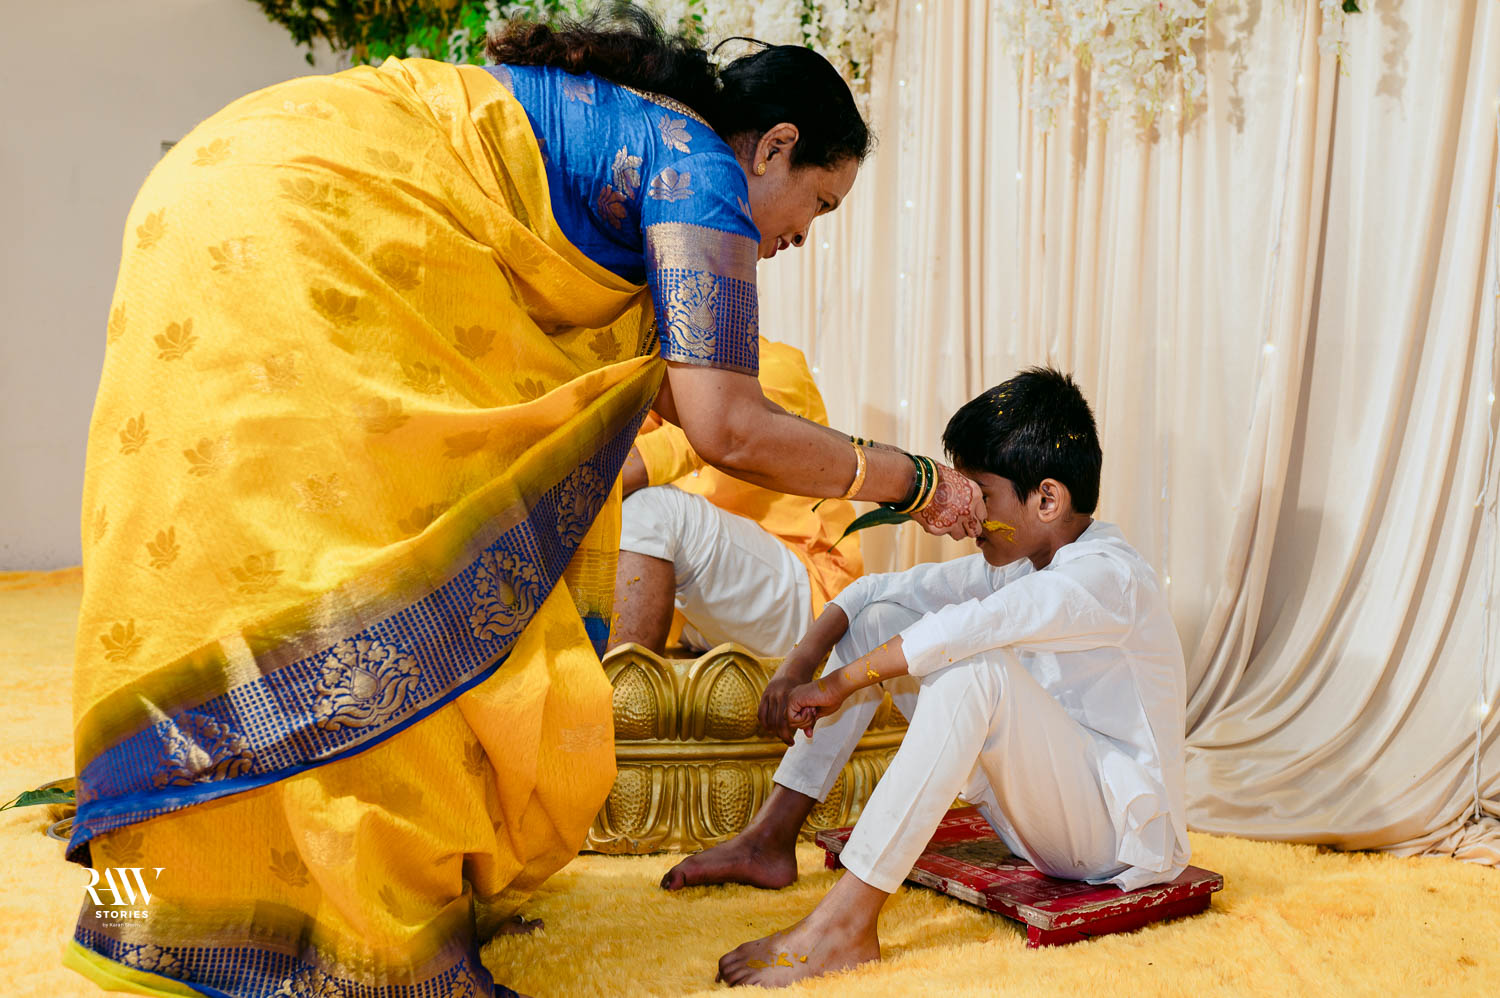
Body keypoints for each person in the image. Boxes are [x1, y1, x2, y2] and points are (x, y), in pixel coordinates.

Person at [65, 5, 983, 996]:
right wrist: (921, 483)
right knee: (386, 583)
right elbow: (727, 425)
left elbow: (686, 403)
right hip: (307, 217)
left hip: (225, 183)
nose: (802, 236)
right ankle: (348, 936)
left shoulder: (636, 142)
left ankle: (221, 900)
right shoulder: (698, 167)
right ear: (774, 147)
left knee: (306, 567)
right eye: (820, 204)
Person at [659, 368, 1190, 989]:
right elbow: (870, 594)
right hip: (1041, 827)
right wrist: (797, 668)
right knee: (885, 618)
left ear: (1047, 500)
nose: (968, 515)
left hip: (1116, 842)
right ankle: (770, 838)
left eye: (981, 495)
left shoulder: (1108, 575)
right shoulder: (1021, 562)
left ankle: (845, 926)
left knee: (974, 669)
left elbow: (968, 629)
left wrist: (836, 686)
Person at [610, 335, 863, 657]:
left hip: (808, 595)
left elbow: (628, 468)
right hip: (700, 605)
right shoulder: (657, 376)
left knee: (650, 511)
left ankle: (624, 688)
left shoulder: (773, 365)